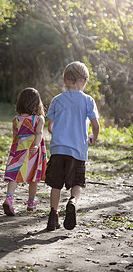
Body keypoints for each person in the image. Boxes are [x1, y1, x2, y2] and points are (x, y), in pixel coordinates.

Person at [45, 61, 100, 231]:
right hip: (78, 150)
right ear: (85, 81)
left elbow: (50, 127)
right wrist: (94, 137)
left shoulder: (57, 100)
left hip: (58, 149)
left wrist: (59, 133)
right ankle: (72, 202)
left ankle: (53, 215)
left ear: (65, 80)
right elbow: (95, 124)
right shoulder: (88, 101)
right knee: (77, 182)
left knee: (56, 184)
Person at [3, 87, 47, 216]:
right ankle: (31, 202)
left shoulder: (16, 119)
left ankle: (9, 198)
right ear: (36, 103)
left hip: (19, 150)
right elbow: (39, 133)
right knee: (34, 177)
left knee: (14, 175)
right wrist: (37, 145)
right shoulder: (38, 119)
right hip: (34, 151)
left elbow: (15, 136)